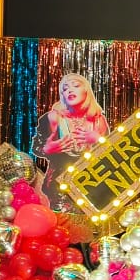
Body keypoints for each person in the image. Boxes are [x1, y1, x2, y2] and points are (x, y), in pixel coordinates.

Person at [35, 73, 109, 210]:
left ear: (86, 91)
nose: (69, 90)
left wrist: (98, 140)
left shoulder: (98, 120)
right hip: (59, 185)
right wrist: (47, 149)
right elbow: (36, 146)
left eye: (75, 86)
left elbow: (110, 153)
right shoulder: (54, 117)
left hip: (91, 185)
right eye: (65, 89)